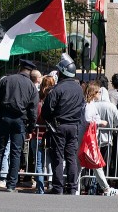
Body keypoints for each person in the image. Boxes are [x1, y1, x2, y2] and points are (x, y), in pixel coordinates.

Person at [0, 59, 39, 192]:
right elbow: (33, 110)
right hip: (20, 120)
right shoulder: (31, 86)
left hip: (4, 117)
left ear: (19, 67)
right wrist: (30, 128)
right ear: (30, 71)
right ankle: (11, 185)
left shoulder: (6, 80)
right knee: (15, 153)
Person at [41, 53, 84, 195]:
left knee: (58, 157)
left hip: (59, 126)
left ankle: (58, 187)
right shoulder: (79, 89)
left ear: (62, 72)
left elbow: (46, 110)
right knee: (71, 157)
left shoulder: (57, 89)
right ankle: (72, 188)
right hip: (74, 127)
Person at [82, 81, 118, 196]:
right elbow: (88, 120)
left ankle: (102, 188)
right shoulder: (90, 105)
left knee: (91, 164)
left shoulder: (89, 104)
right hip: (94, 138)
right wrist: (101, 122)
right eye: (97, 91)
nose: (99, 93)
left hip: (92, 138)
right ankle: (105, 188)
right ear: (94, 92)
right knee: (97, 164)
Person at [31, 75, 55, 194]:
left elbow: (34, 117)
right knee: (52, 161)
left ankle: (40, 188)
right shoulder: (53, 103)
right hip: (50, 136)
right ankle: (51, 184)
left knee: (39, 163)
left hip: (38, 135)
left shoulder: (38, 102)